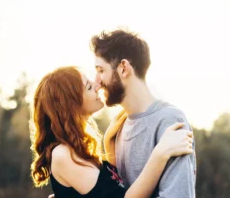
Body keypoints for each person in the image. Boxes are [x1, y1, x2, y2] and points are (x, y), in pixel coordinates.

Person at [30, 66, 194, 198]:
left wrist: (109, 142)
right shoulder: (63, 155)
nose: (97, 85)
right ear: (71, 104)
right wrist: (159, 155)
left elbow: (109, 189)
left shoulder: (75, 149)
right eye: (88, 86)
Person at [90, 29, 197, 197]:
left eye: (101, 70)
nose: (96, 80)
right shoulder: (118, 129)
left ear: (123, 68)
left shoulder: (170, 121)